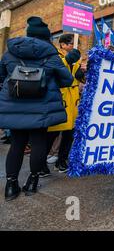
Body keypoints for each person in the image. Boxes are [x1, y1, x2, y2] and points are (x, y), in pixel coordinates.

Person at [0, 17, 73, 201]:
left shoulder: (10, 53)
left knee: (17, 145)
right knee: (39, 143)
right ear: (46, 37)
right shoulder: (51, 55)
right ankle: (32, 182)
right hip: (42, 106)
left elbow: (1, 77)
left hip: (15, 106)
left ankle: (10, 185)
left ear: (28, 33)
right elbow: (67, 80)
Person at [41, 34, 85, 177]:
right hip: (60, 99)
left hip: (74, 101)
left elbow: (78, 77)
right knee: (52, 133)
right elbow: (57, 71)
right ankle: (41, 163)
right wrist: (68, 60)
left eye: (73, 43)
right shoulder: (55, 56)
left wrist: (83, 70)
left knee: (69, 134)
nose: (73, 46)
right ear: (62, 45)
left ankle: (62, 160)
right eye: (70, 43)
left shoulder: (75, 59)